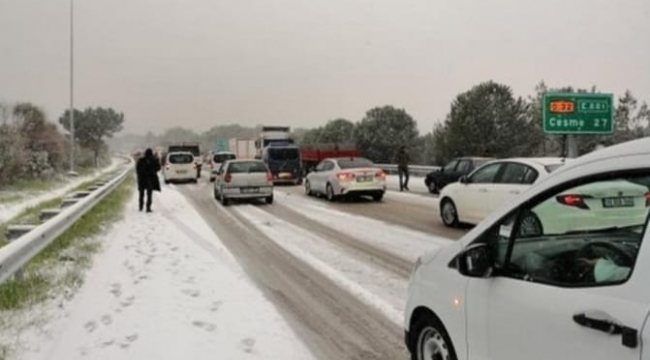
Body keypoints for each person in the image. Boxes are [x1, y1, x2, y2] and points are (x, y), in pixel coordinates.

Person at [136, 148, 161, 212]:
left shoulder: (141, 160)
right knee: (149, 194)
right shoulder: (153, 160)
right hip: (150, 179)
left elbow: (137, 169)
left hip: (142, 179)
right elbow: (158, 168)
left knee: (141, 194)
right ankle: (148, 208)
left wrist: (140, 176)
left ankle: (140, 207)